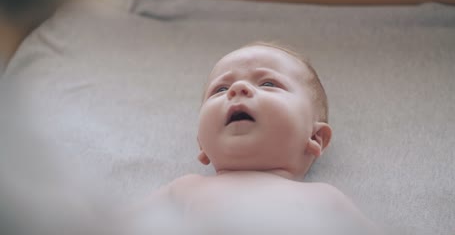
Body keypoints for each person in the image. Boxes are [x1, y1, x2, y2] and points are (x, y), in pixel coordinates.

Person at [136, 42, 380, 234]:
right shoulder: (184, 189)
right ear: (201, 143)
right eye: (220, 89)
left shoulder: (325, 198)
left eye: (268, 83)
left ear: (315, 136)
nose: (237, 89)